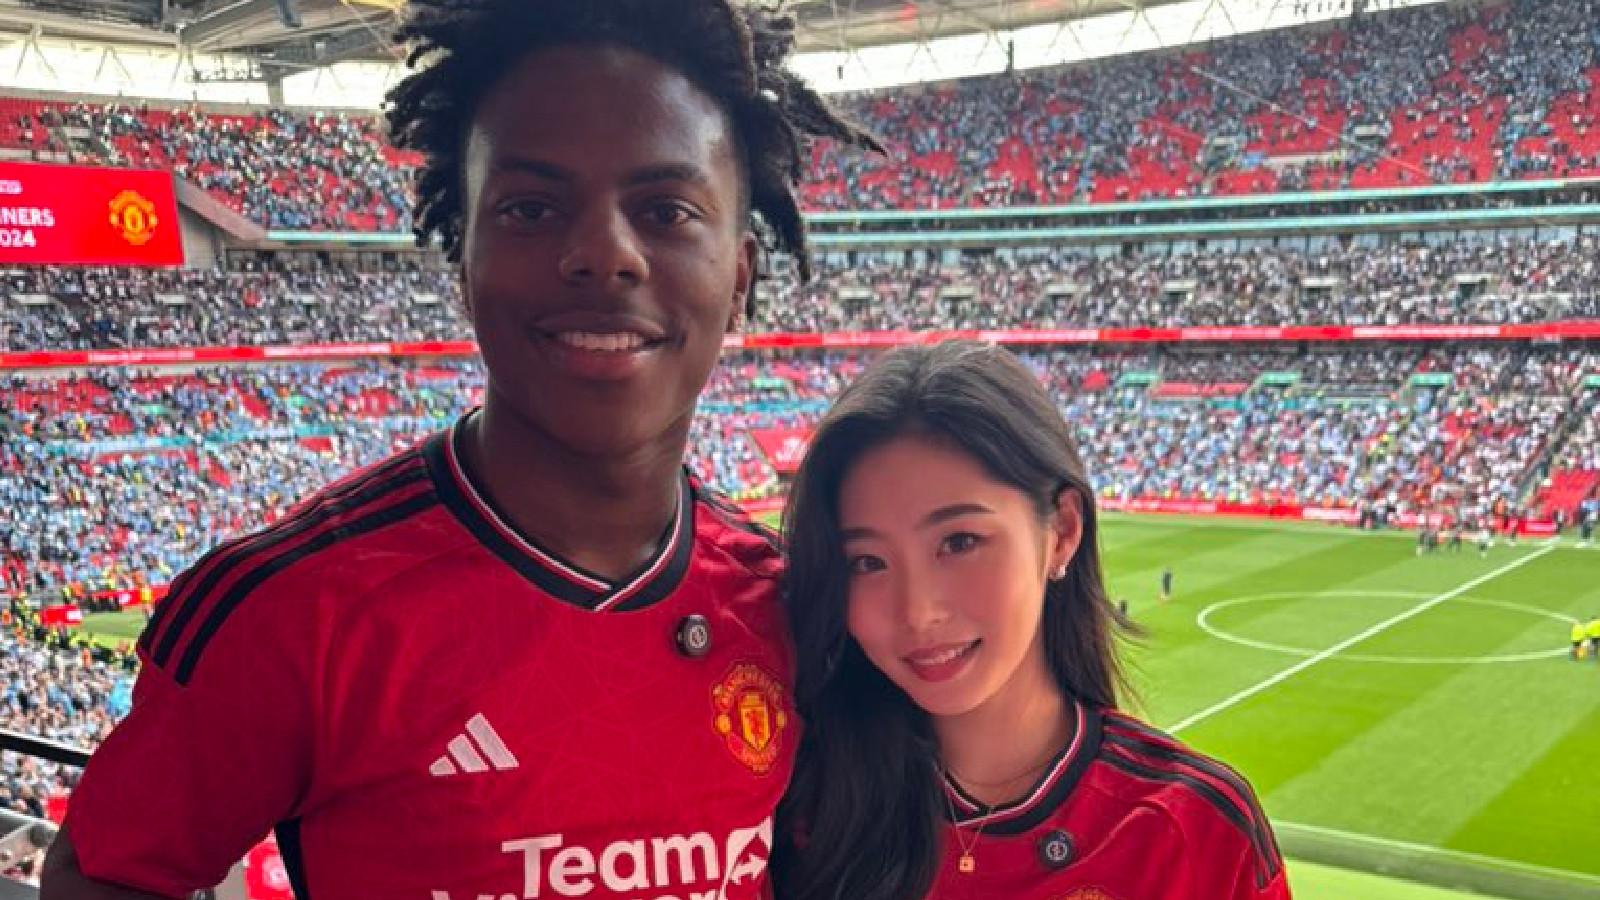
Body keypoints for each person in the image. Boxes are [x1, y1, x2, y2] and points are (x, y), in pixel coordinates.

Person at [43, 2, 877, 898]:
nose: (603, 253)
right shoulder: (300, 609)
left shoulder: (794, 606)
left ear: (742, 273)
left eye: (666, 210)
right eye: (530, 207)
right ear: (463, 254)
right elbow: (109, 875)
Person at [774, 342, 1289, 900]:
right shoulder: (798, 806)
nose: (917, 612)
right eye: (867, 562)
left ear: (1063, 531)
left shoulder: (1197, 833)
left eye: (960, 541)